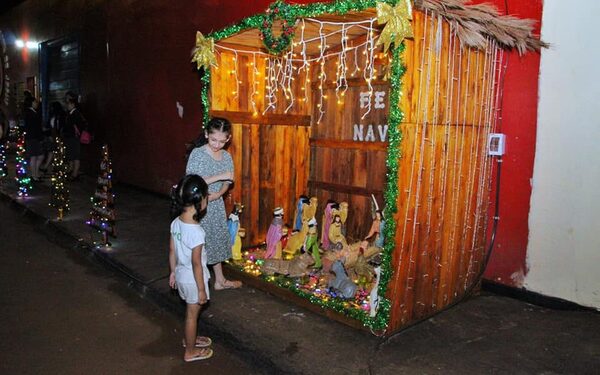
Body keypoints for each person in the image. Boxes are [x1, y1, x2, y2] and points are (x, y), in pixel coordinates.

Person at [185, 117, 242, 290]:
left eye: (222, 141)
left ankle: (220, 280)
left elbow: (228, 180)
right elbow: (192, 181)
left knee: (216, 240)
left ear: (228, 138)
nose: (217, 144)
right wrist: (219, 176)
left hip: (215, 204)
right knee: (198, 243)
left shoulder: (226, 156)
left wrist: (220, 193)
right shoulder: (198, 153)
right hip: (198, 205)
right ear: (206, 135)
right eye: (213, 140)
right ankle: (195, 282)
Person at [169, 174, 214, 362]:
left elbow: (172, 250)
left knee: (190, 314)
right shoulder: (196, 231)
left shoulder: (176, 222)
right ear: (199, 200)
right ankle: (190, 350)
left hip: (180, 273)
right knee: (191, 316)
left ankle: (191, 339)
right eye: (206, 196)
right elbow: (197, 263)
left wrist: (172, 272)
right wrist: (202, 290)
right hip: (193, 280)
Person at [63, 91, 87, 180]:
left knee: (75, 156)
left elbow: (78, 125)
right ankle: (72, 171)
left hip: (74, 137)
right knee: (72, 155)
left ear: (73, 104)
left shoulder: (75, 114)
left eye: (68, 104)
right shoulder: (70, 113)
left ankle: (75, 174)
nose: (67, 106)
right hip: (71, 136)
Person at [23, 95, 44, 181]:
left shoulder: (33, 112)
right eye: (35, 102)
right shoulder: (29, 113)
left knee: (39, 156)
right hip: (32, 137)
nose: (37, 103)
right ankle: (34, 175)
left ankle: (35, 174)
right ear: (31, 103)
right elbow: (33, 127)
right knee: (34, 157)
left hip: (34, 137)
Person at [40, 101, 65, 174]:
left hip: (57, 135)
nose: (51, 109)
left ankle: (52, 167)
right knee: (51, 151)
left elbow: (60, 127)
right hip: (51, 135)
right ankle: (47, 166)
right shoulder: (52, 116)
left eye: (52, 107)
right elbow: (49, 126)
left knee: (56, 151)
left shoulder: (60, 115)